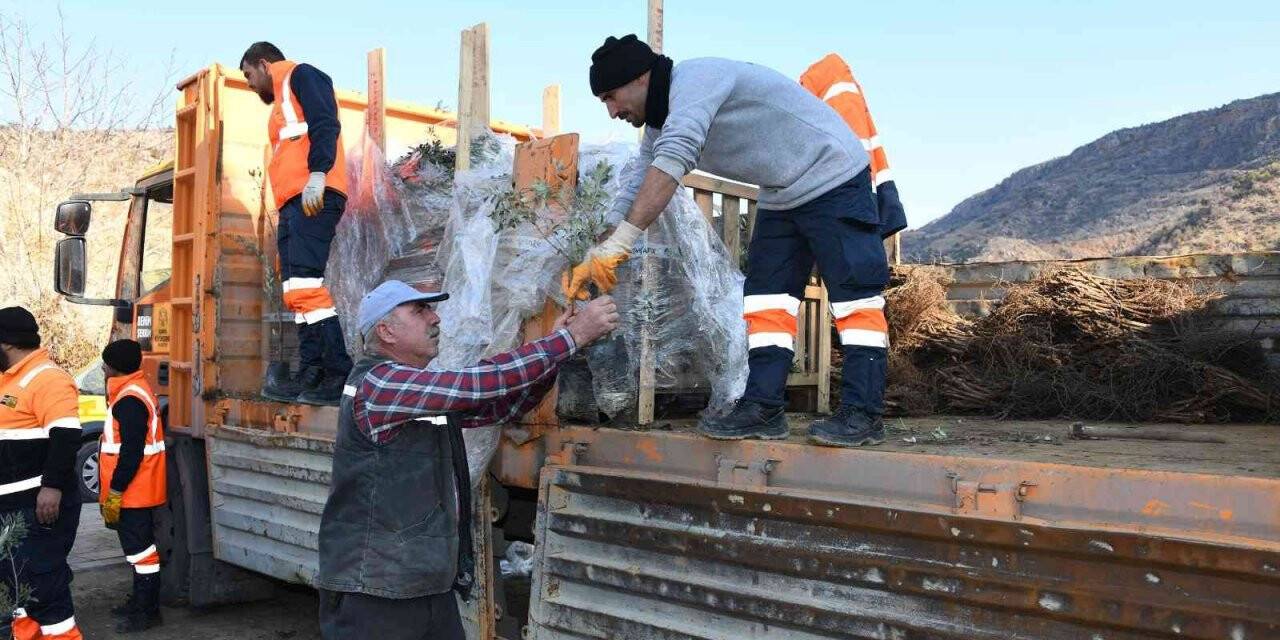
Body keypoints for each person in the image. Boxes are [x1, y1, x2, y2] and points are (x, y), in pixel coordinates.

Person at [567, 35, 906, 447]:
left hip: (833, 176)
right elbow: (641, 175)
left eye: (611, 96)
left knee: (855, 300)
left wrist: (621, 242)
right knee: (766, 302)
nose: (612, 110)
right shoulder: (662, 119)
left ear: (639, 78)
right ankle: (763, 408)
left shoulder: (695, 82)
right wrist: (599, 249)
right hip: (783, 193)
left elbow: (672, 163)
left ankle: (863, 414)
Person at [316, 281, 619, 639]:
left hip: (423, 584)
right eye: (420, 310)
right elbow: (477, 383)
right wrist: (569, 339)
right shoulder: (378, 385)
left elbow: (502, 404)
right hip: (376, 591)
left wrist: (554, 356)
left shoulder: (415, 391)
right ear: (386, 331)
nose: (435, 318)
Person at [241, 40, 353, 405]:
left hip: (314, 195)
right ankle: (312, 370)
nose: (248, 83)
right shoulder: (279, 107)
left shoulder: (302, 75)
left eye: (248, 75)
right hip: (296, 202)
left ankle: (337, 373)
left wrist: (318, 174)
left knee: (305, 285)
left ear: (262, 63)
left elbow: (325, 123)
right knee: (295, 292)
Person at [0, 307, 83, 640]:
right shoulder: (11, 379)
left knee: (45, 589)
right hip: (12, 507)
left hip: (35, 507)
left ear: (6, 344)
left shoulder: (48, 378)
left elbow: (66, 436)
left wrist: (52, 488)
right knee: (20, 585)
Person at [98, 339, 165, 633]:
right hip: (136, 490)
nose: (102, 368)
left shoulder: (129, 399)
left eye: (105, 363)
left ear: (113, 367)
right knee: (137, 551)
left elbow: (131, 451)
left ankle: (147, 612)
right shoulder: (132, 392)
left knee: (141, 553)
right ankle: (141, 604)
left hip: (133, 491)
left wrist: (116, 488)